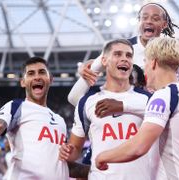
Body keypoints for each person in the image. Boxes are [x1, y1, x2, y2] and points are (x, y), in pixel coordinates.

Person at [95, 37, 179, 179]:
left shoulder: (163, 96)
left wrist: (102, 156)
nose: (144, 67)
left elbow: (138, 147)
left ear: (153, 62)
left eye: (145, 62)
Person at [59, 39, 155, 180]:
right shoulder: (87, 101)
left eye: (128, 56)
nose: (124, 59)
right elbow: (75, 149)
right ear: (104, 61)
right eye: (117, 54)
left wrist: (123, 106)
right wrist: (67, 151)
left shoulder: (149, 100)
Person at [67, 2, 179, 106]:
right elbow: (74, 98)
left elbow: (167, 102)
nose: (148, 21)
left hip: (153, 119)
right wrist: (98, 110)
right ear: (139, 21)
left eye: (155, 18)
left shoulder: (171, 55)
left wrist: (124, 107)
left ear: (164, 24)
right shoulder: (119, 50)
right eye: (144, 17)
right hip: (122, 119)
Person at [0, 57, 69, 180]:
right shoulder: (17, 106)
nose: (37, 77)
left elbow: (62, 164)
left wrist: (91, 170)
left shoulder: (60, 121)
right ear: (23, 82)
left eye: (42, 72)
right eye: (31, 73)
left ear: (50, 79)